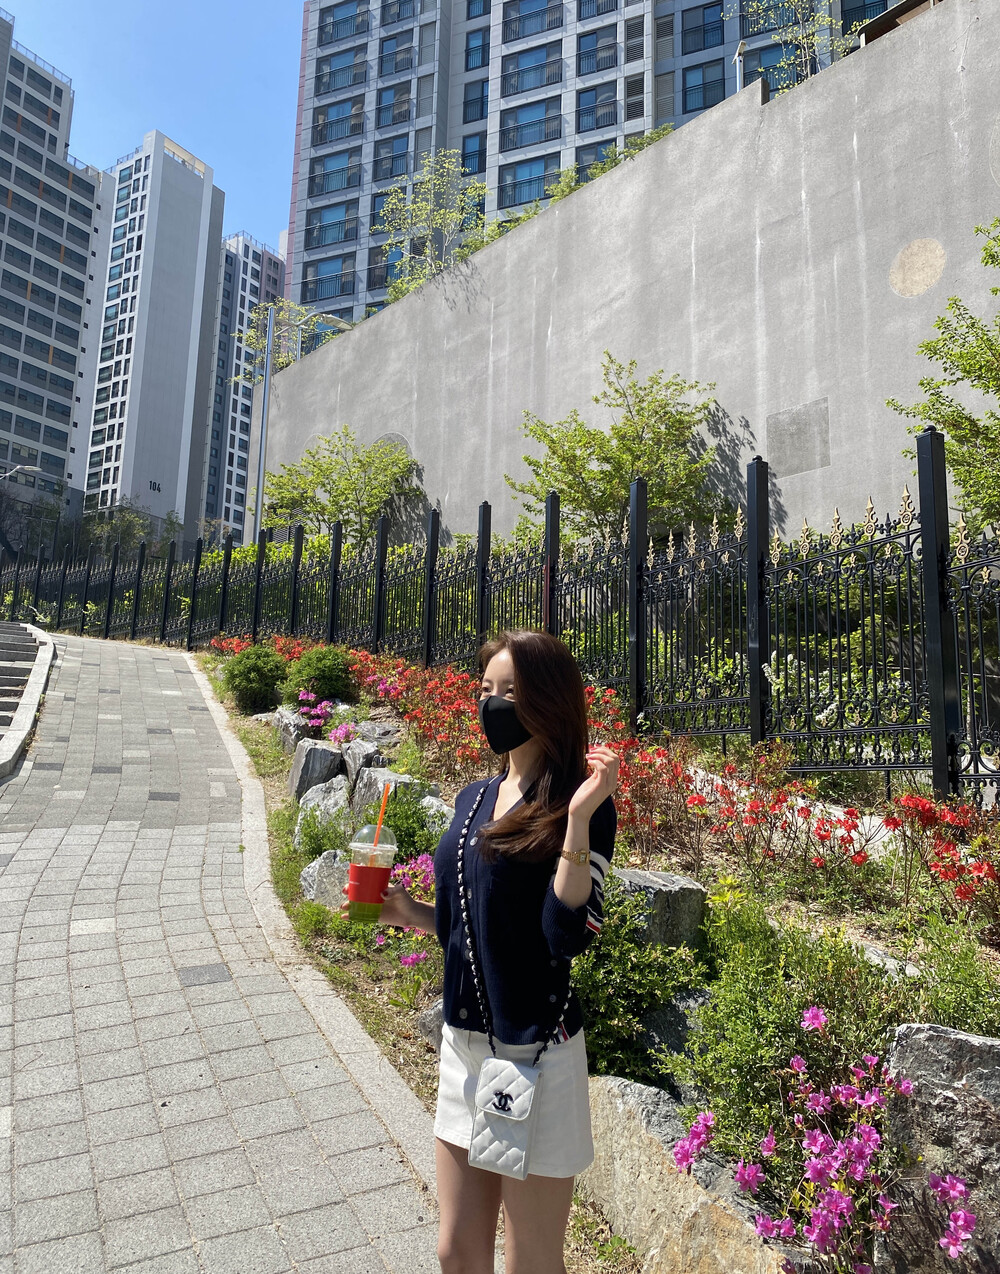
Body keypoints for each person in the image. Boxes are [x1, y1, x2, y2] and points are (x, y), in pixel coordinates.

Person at [347, 628, 618, 1274]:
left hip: (537, 1055)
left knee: (531, 1263)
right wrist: (408, 912)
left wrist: (578, 820)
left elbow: (564, 935)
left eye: (510, 693)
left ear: (548, 701)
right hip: (465, 1048)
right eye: (486, 689)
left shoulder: (581, 808)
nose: (491, 704)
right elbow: (469, 924)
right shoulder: (472, 799)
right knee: (457, 1251)